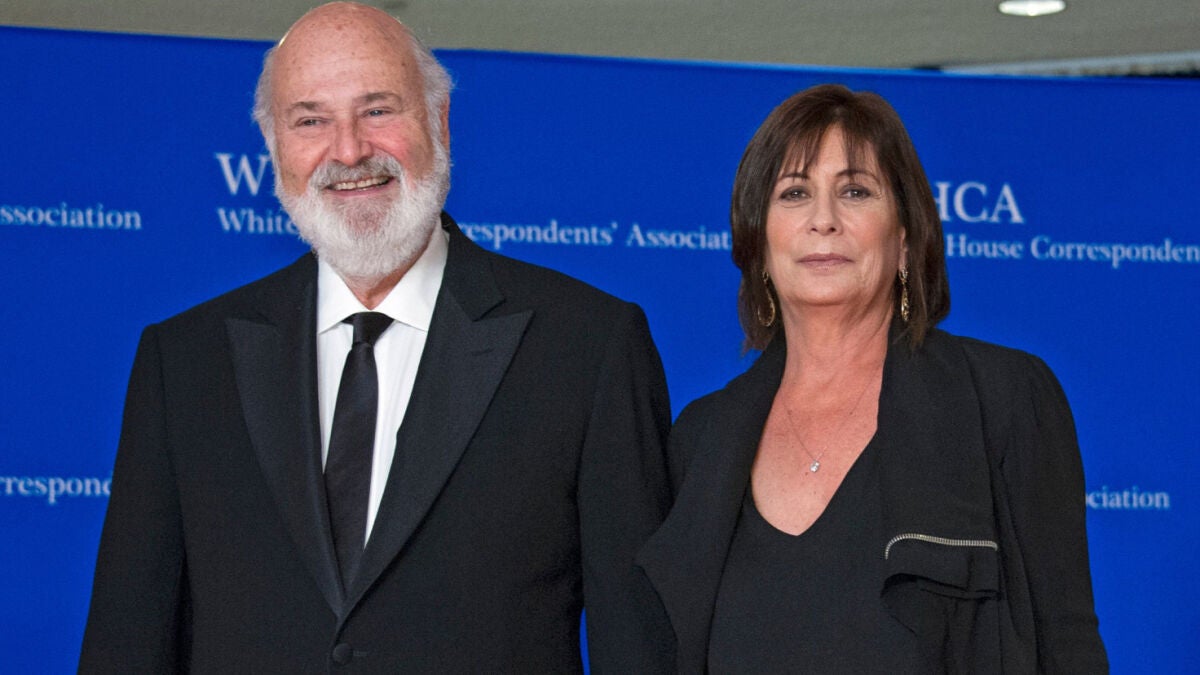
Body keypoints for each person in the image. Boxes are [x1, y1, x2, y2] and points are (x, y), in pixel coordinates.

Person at [79, 3, 672, 672]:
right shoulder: (185, 361)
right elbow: (126, 644)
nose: (349, 150)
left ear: (439, 122)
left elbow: (638, 644)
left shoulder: (587, 347)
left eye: (378, 110)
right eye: (310, 121)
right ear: (274, 147)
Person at [636, 84, 1108, 673]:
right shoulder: (702, 438)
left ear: (905, 239)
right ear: (757, 243)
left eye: (855, 191)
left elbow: (1065, 641)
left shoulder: (1004, 397)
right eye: (794, 193)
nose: (823, 221)